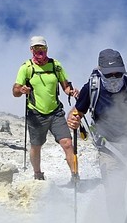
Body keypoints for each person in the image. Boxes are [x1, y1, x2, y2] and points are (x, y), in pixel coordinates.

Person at [67, 48, 127, 223]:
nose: (113, 78)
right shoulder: (91, 88)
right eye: (108, 75)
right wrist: (72, 120)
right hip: (109, 151)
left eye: (117, 74)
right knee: (114, 197)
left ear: (124, 70)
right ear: (101, 72)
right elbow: (77, 112)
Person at [12, 36, 79, 183]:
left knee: (67, 143)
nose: (40, 51)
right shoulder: (26, 68)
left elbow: (65, 86)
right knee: (36, 146)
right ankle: (37, 173)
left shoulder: (56, 65)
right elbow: (15, 91)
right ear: (31, 50)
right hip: (36, 114)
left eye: (42, 48)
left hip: (56, 112)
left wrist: (71, 91)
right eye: (36, 48)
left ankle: (75, 176)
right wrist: (22, 90)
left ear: (46, 49)